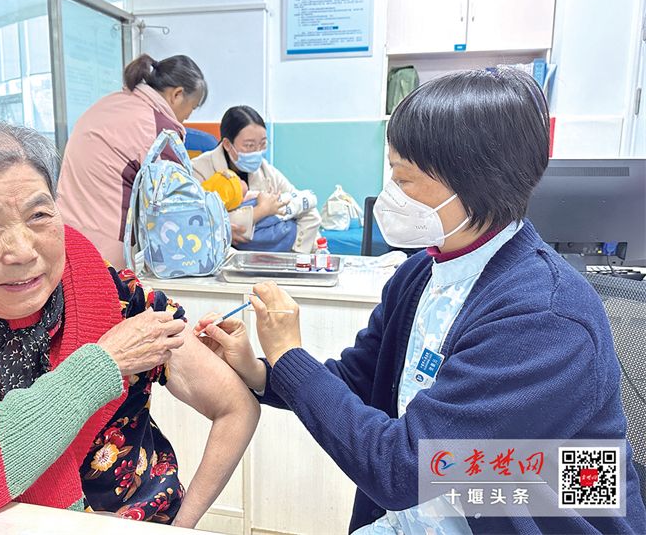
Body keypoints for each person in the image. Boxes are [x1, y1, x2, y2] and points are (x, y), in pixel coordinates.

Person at [195, 70, 646, 534]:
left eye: (403, 179)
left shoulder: (544, 317)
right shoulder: (419, 275)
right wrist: (261, 370)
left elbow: (406, 467)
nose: (389, 195)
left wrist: (289, 353)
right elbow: (359, 381)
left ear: (476, 183)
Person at [0, 118, 259, 527]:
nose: (23, 251)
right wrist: (102, 365)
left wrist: (182, 526)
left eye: (39, 214)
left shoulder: (119, 299)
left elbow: (235, 407)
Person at [57, 54, 207, 269]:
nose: (188, 117)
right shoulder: (157, 128)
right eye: (192, 108)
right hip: (107, 254)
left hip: (67, 238)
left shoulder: (111, 103)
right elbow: (178, 208)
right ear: (177, 94)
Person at [192, 105, 321, 253]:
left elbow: (302, 204)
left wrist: (303, 252)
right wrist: (259, 212)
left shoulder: (266, 172)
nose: (257, 152)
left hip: (268, 256)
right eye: (249, 145)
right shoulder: (198, 170)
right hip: (220, 256)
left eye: (263, 144)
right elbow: (194, 224)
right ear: (227, 144)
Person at [201, 169, 297, 252]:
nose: (241, 181)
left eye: (239, 179)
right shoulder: (214, 207)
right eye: (248, 146)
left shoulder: (268, 171)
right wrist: (263, 209)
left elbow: (292, 196)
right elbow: (206, 221)